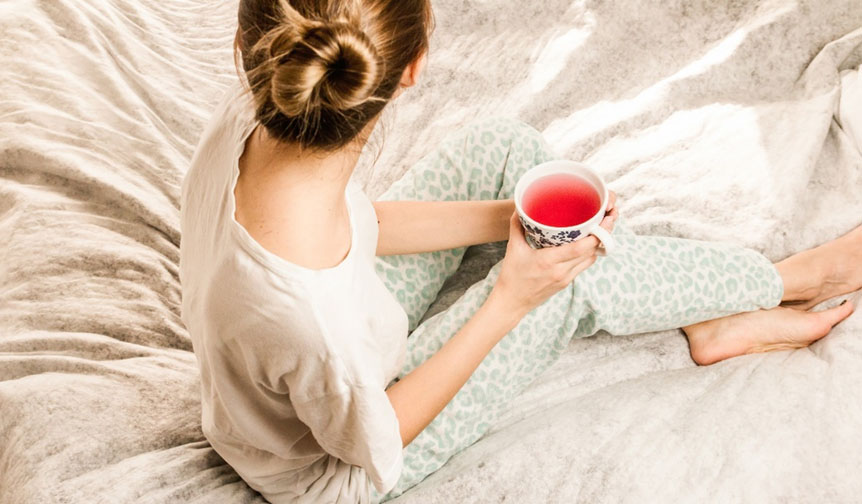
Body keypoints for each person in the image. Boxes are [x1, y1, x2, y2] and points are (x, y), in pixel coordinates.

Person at [178, 0, 861, 502]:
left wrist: (513, 217)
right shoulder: (310, 320)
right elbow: (375, 436)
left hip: (331, 335)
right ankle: (787, 279)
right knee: (573, 285)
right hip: (339, 464)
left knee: (506, 150)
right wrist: (512, 297)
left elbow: (358, 226)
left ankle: (706, 307)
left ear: (249, 44)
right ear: (414, 68)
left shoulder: (257, 110)